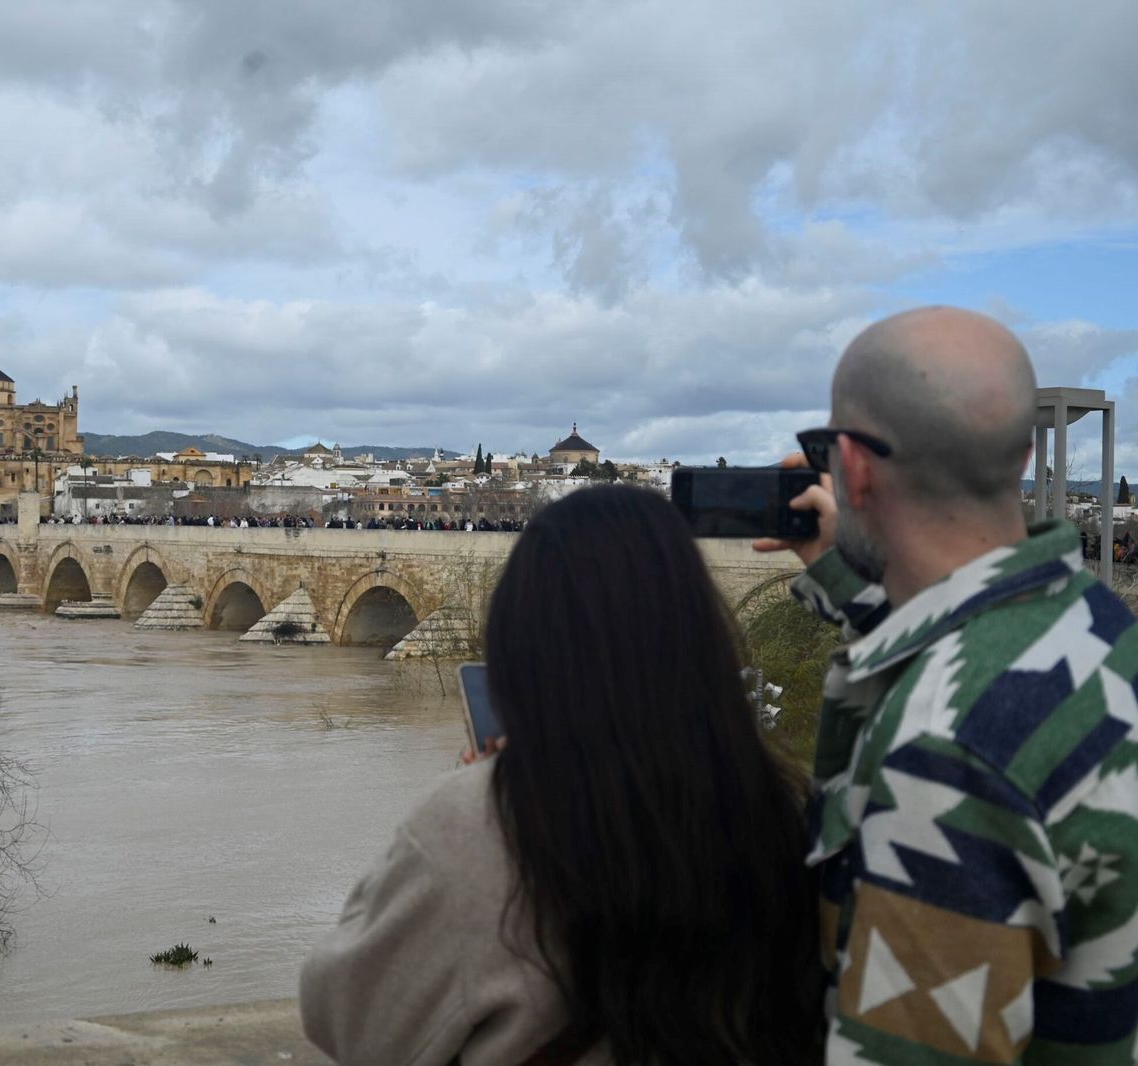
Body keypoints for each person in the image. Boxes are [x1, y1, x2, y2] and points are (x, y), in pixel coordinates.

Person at [300, 485, 823, 1066]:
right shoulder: (783, 809)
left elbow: (347, 1016)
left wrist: (471, 797)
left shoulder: (485, 820)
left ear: (525, 638)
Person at [757, 306, 1138, 1062]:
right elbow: (968, 645)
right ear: (1025, 455)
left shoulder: (945, 753)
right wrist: (846, 574)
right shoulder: (1093, 627)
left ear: (853, 468)